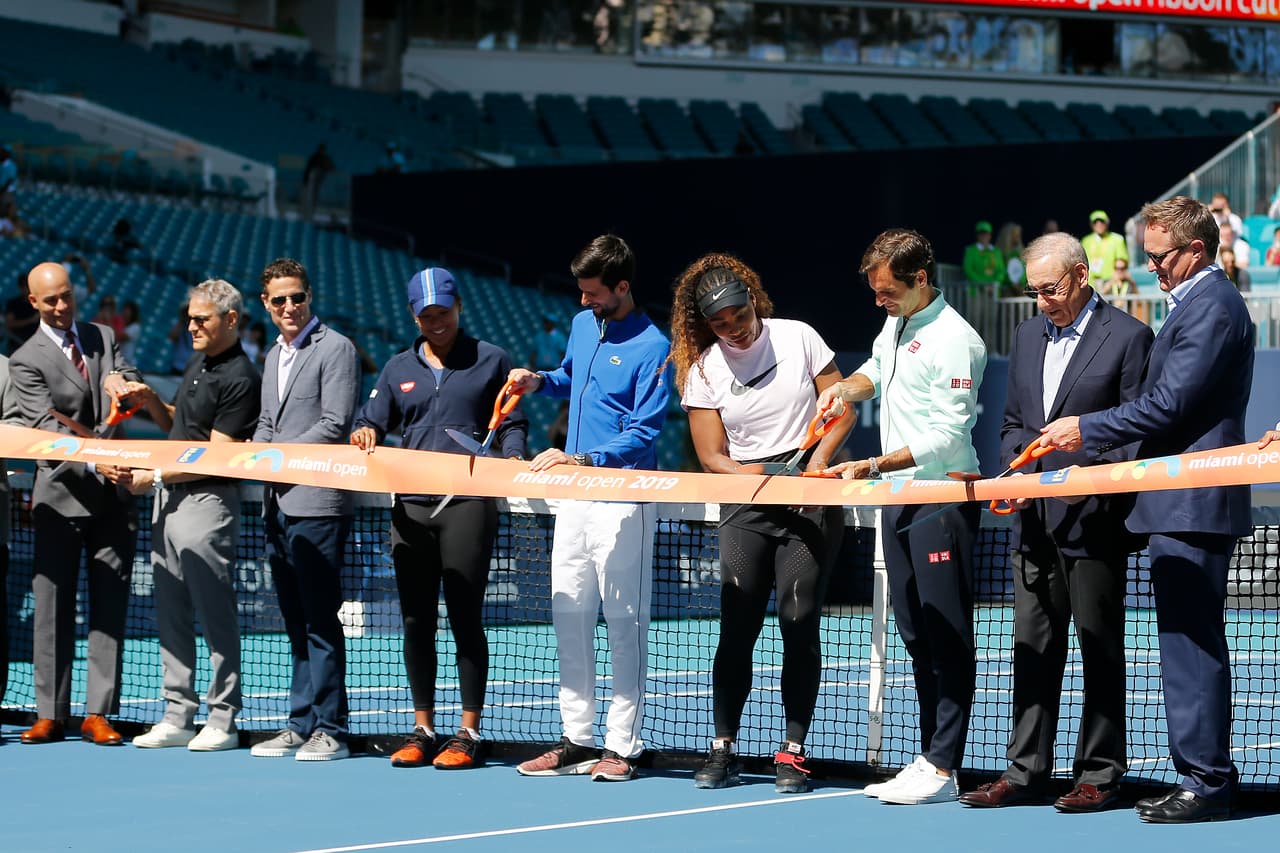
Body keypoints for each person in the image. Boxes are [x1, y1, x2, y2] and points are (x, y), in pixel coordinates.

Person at [1040, 196, 1254, 823]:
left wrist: (1088, 430)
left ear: (1195, 250)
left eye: (1160, 257)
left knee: (1190, 645)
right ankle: (1200, 776)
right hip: (1176, 504)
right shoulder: (1194, 305)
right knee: (1181, 643)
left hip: (1192, 503)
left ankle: (1208, 782)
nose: (1152, 267)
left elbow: (1169, 405)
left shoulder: (1212, 306)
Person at [958, 233, 1153, 812]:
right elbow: (1015, 422)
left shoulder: (1129, 337)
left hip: (1094, 524)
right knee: (1032, 649)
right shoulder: (1023, 334)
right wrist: (1017, 479)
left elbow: (1135, 432)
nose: (1042, 300)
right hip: (1033, 527)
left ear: (1083, 275)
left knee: (1100, 651)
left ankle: (1100, 773)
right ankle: (1024, 772)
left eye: (1051, 289)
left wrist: (1076, 481)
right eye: (1034, 291)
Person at [669, 254, 851, 793]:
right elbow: (711, 456)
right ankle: (723, 747)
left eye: (738, 316)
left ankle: (793, 751)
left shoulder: (799, 337)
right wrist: (764, 472)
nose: (733, 329)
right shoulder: (704, 368)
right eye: (720, 325)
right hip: (747, 505)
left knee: (799, 625)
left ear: (752, 299)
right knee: (737, 628)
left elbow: (840, 407)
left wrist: (815, 464)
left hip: (810, 504)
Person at [818, 228, 986, 806]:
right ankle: (928, 757)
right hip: (898, 497)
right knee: (915, 632)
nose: (878, 301)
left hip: (940, 497)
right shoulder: (897, 322)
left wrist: (870, 463)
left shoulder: (955, 340)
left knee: (945, 630)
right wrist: (844, 390)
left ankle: (944, 764)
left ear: (920, 281)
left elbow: (947, 435)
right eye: (874, 291)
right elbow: (875, 368)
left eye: (887, 291)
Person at [507, 234, 672, 783]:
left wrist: (581, 456)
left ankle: (622, 745)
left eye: (594, 294)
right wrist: (539, 381)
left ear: (623, 287)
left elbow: (643, 432)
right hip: (574, 497)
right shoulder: (583, 326)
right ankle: (577, 740)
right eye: (580, 293)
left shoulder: (655, 346)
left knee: (625, 623)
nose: (583, 302)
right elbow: (571, 378)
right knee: (570, 617)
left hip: (623, 500)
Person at [352, 267, 527, 770]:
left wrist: (511, 460)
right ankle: (423, 726)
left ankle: (468, 732)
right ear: (414, 315)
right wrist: (365, 433)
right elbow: (372, 420)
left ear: (459, 308)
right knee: (415, 621)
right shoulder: (394, 367)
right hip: (410, 507)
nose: (436, 323)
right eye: (427, 315)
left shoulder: (492, 359)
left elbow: (512, 421)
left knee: (466, 617)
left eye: (444, 314)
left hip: (468, 505)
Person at [7, 261, 142, 747]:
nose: (63, 307)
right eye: (51, 301)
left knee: (109, 609)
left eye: (67, 296)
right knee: (52, 609)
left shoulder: (102, 336)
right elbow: (46, 430)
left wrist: (121, 383)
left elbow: (127, 374)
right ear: (34, 304)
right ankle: (50, 714)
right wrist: (97, 460)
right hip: (59, 500)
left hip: (112, 502)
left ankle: (99, 713)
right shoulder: (24, 359)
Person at [125, 279, 261, 751]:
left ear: (230, 320)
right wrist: (151, 405)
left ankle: (223, 717)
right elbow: (183, 430)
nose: (192, 326)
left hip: (206, 502)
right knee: (171, 612)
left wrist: (155, 477)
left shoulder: (242, 375)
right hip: (170, 498)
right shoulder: (198, 361)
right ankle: (177, 714)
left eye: (201, 319)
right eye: (189, 318)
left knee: (214, 614)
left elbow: (214, 455)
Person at [249, 258, 360, 762]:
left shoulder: (336, 348)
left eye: (297, 297)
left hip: (317, 502)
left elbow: (335, 423)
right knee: (295, 618)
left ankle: (331, 728)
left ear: (309, 297)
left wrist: (280, 460)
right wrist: (256, 457)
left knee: (319, 618)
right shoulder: (273, 356)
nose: (290, 307)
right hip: (277, 502)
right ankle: (301, 723)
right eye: (279, 300)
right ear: (266, 306)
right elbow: (267, 422)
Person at [1080, 210, 1128, 291]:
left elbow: (1121, 263)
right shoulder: (1086, 241)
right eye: (1095, 222)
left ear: (1107, 223)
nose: (1099, 224)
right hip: (1090, 282)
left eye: (1102, 221)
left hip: (1111, 282)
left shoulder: (1117, 239)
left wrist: (1110, 283)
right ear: (1091, 224)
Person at [961, 220, 1004, 295]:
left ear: (990, 235)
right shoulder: (970, 250)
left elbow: (1001, 270)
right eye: (981, 234)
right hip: (975, 291)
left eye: (986, 233)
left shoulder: (996, 251)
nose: (984, 236)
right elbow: (968, 270)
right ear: (977, 235)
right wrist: (982, 285)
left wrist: (994, 285)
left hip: (993, 291)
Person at [5, 272, 39, 355]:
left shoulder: (39, 304)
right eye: (25, 286)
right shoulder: (13, 303)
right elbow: (10, 324)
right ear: (21, 287)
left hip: (34, 348)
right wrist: (30, 320)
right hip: (16, 344)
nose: (28, 289)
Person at [300, 143, 334, 222]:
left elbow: (331, 168)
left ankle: (312, 213)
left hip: (321, 183)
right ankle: (310, 213)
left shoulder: (325, 158)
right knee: (311, 198)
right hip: (313, 183)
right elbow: (308, 170)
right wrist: (306, 181)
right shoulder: (314, 158)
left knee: (314, 197)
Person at [995, 221, 1026, 295]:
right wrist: (1011, 282)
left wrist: (1020, 282)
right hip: (1006, 286)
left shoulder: (1021, 252)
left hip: (1020, 286)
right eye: (1015, 235)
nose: (1017, 237)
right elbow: (1000, 269)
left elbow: (1024, 269)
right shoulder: (999, 252)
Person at [167, 302, 194, 374]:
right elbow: (172, 336)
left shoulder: (198, 326)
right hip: (177, 365)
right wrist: (181, 320)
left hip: (193, 366)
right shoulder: (178, 324)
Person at [119, 300, 140, 366]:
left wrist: (109, 322)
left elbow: (123, 337)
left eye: (128, 311)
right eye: (124, 310)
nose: (125, 313)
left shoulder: (135, 327)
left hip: (127, 361)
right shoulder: (120, 324)